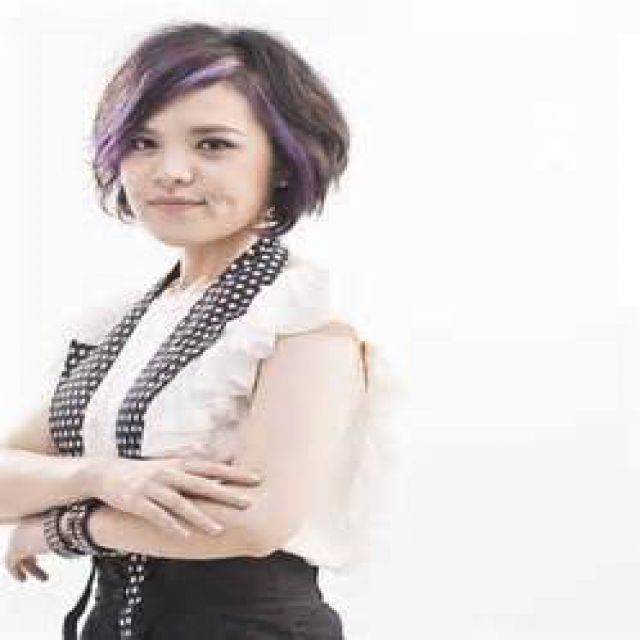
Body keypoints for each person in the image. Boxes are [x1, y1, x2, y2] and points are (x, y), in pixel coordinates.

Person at [1, 20, 397, 639]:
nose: (171, 171)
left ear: (284, 159)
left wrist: (61, 526)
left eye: (212, 144)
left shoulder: (303, 321)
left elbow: (252, 523)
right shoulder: (125, 324)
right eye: (142, 142)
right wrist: (101, 476)